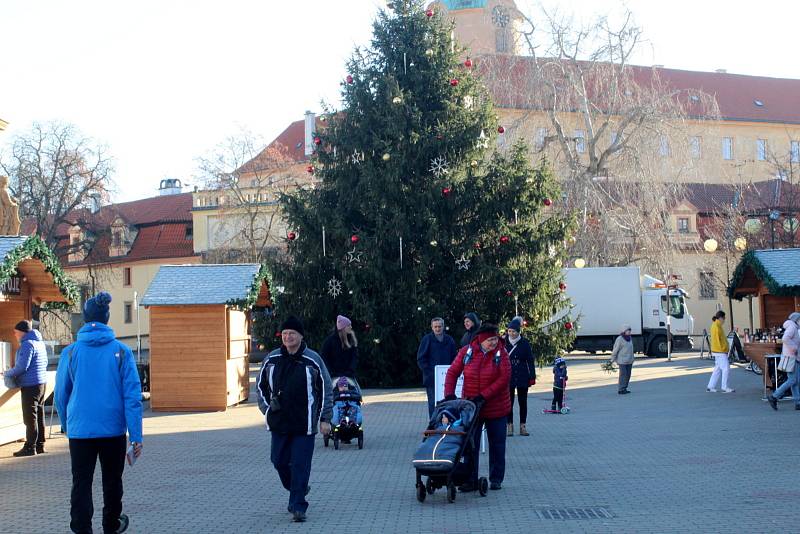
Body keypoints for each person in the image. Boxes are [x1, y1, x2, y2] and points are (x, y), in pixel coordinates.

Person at [55, 292, 143, 534]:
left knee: (81, 483)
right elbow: (132, 397)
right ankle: (111, 526)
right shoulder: (122, 351)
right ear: (106, 318)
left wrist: (66, 425)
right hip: (113, 430)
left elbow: (61, 394)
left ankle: (82, 529)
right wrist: (136, 435)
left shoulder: (70, 353)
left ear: (85, 319)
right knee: (112, 482)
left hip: (80, 431)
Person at [257, 316, 333, 523]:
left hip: (304, 423)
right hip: (279, 422)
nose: (288, 337)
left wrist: (325, 418)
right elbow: (260, 386)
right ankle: (296, 488)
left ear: (300, 336)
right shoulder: (272, 359)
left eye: (292, 333)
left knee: (300, 464)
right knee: (279, 461)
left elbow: (326, 389)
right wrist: (266, 410)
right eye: (285, 334)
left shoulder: (313, 360)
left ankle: (298, 505)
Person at [444, 323, 511, 491]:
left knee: (497, 444)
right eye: (490, 340)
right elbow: (452, 372)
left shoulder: (501, 353)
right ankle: (470, 479)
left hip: (496, 407)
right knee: (469, 443)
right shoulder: (467, 352)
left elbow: (504, 379)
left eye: (495, 339)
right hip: (472, 406)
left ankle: (496, 479)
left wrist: (484, 395)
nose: (494, 343)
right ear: (481, 340)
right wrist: (449, 395)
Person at [3, 320, 48, 457]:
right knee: (39, 415)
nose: (15, 336)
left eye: (16, 333)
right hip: (41, 383)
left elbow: (22, 367)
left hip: (30, 385)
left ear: (22, 332)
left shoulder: (27, 345)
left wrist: (6, 373)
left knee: (30, 418)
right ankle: (40, 445)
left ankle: (30, 447)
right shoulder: (39, 343)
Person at [417, 317, 458, 417]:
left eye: (439, 326)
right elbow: (421, 358)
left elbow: (455, 358)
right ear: (432, 327)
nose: (438, 329)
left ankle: (447, 426)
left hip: (448, 378)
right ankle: (434, 426)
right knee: (433, 404)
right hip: (432, 380)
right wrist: (430, 373)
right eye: (435, 327)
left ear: (443, 326)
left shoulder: (449, 340)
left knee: (449, 403)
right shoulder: (427, 339)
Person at [505, 317, 534, 437]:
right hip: (508, 375)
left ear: (518, 332)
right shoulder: (504, 343)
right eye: (509, 331)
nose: (511, 333)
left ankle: (523, 426)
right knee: (508, 402)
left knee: (523, 402)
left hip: (522, 374)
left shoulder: (524, 343)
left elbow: (530, 360)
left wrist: (532, 376)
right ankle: (509, 425)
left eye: (514, 331)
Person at [768, 312, 800, 410]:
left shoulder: (794, 327)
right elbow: (785, 338)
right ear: (796, 320)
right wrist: (794, 348)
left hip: (793, 357)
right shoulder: (793, 327)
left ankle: (798, 402)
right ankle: (774, 396)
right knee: (792, 380)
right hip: (791, 357)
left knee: (795, 381)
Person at [706, 311, 734, 393]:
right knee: (726, 368)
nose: (724, 320)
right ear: (721, 318)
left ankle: (710, 386)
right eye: (724, 318)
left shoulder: (716, 325)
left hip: (717, 350)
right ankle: (724, 387)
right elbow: (717, 341)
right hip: (720, 351)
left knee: (717, 369)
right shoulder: (716, 326)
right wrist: (724, 349)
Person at [610, 325, 635, 395]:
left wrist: (633, 358)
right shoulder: (620, 339)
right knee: (623, 375)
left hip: (629, 360)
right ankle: (621, 389)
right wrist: (612, 358)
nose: (630, 331)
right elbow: (615, 349)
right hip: (622, 360)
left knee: (628, 375)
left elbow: (631, 349)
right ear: (624, 331)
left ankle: (625, 388)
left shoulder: (630, 338)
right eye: (628, 330)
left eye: (630, 330)